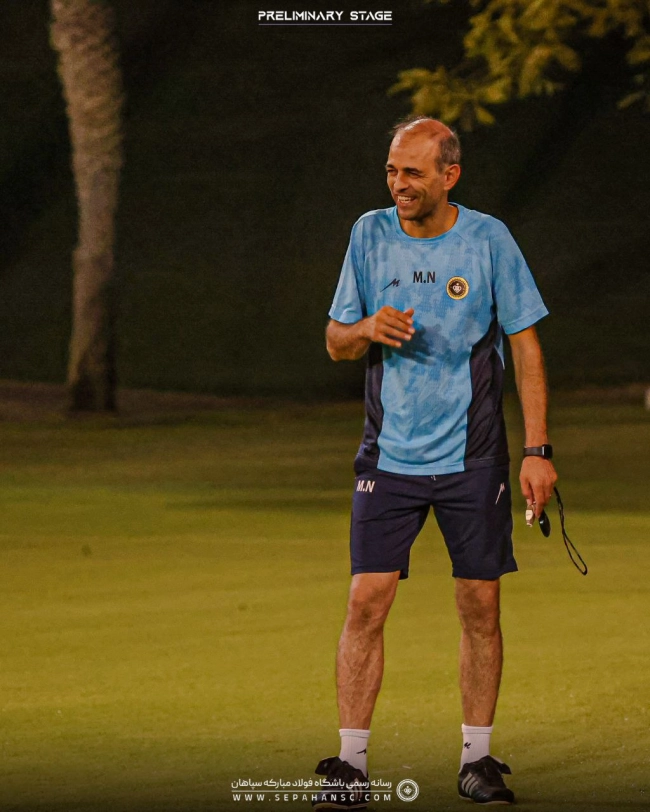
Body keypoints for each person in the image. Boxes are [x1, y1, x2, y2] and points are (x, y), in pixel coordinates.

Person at [312, 116, 557, 809]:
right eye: (393, 171)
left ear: (450, 175)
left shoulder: (488, 240)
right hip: (388, 456)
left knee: (480, 603)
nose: (399, 184)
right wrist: (366, 327)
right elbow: (335, 340)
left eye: (413, 172)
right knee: (366, 600)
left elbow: (526, 348)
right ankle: (350, 766)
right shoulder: (368, 234)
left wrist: (537, 451)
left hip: (472, 457)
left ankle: (477, 762)